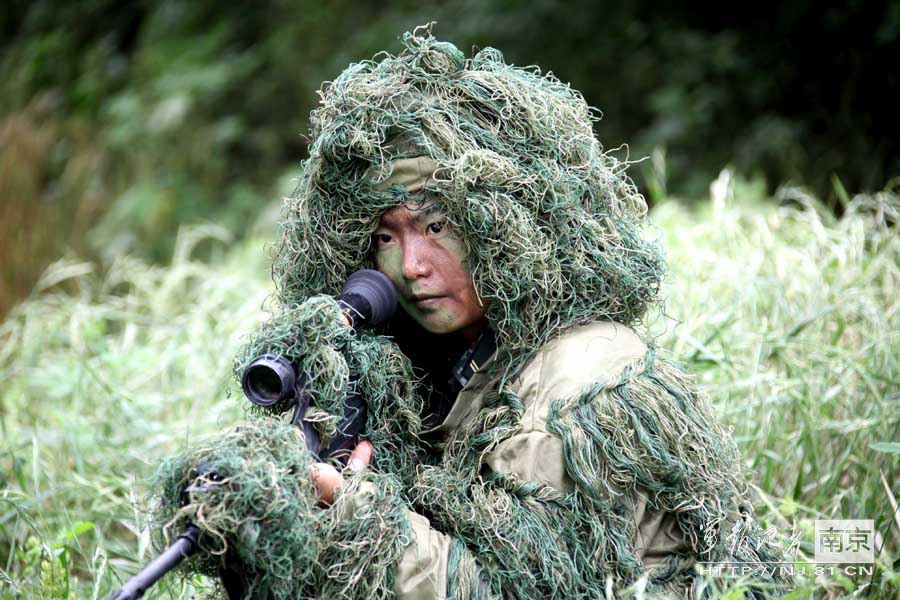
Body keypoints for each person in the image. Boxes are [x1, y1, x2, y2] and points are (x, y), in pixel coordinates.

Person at [242, 27, 789, 598]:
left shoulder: (572, 387)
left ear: (506, 229)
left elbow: (515, 588)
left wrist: (353, 512)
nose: (411, 266)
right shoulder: (463, 359)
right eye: (385, 236)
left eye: (437, 226)